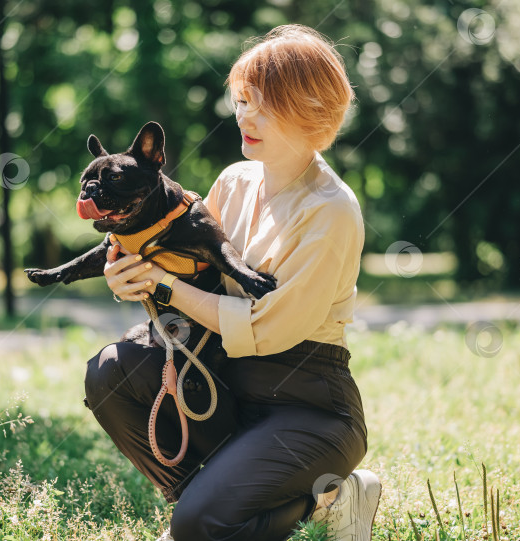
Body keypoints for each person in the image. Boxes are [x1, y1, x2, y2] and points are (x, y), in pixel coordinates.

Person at [84, 24, 381, 541]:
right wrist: (126, 269)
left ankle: (327, 501)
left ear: (310, 108)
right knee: (110, 371)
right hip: (223, 383)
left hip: (308, 407)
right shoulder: (233, 181)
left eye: (262, 104)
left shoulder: (332, 211)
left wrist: (163, 286)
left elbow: (267, 328)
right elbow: (180, 263)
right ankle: (208, 501)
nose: (244, 115)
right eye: (241, 101)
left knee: (200, 525)